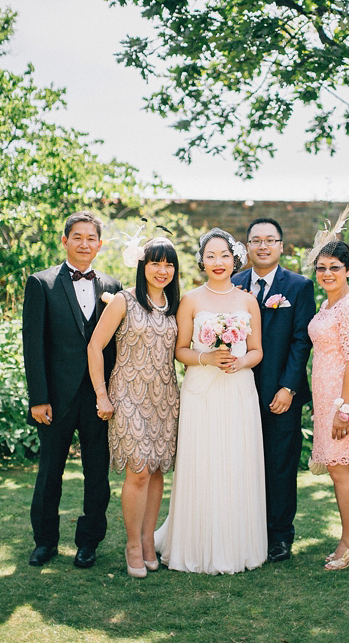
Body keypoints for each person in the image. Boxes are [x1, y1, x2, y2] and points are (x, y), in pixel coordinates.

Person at [155, 228, 267, 574]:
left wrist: (239, 361)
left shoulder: (248, 301)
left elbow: (257, 351)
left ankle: (239, 546)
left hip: (238, 389)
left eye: (224, 255)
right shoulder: (190, 299)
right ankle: (195, 545)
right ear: (202, 262)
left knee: (236, 460)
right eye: (210, 256)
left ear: (235, 259)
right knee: (202, 461)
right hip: (201, 390)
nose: (218, 262)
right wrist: (207, 359)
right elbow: (180, 350)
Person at [22, 212, 122, 569]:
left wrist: (110, 392)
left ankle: (88, 543)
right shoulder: (41, 283)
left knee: (97, 474)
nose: (84, 243)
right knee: (50, 472)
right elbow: (32, 345)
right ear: (64, 241)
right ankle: (45, 542)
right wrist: (39, 398)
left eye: (91, 238)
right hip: (55, 398)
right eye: (76, 237)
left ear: (99, 244)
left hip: (98, 396)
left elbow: (116, 346)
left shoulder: (114, 285)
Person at [87, 237, 181, 578]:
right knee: (139, 469)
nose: (163, 270)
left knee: (156, 471)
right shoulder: (124, 300)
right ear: (143, 266)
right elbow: (95, 346)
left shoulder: (175, 306)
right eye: (156, 263)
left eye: (169, 264)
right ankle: (130, 544)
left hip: (165, 397)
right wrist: (102, 394)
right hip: (127, 395)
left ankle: (146, 540)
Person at [232, 217, 315, 563]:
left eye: (270, 240)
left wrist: (288, 388)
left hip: (281, 393)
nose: (262, 246)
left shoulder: (298, 286)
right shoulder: (233, 285)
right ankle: (244, 530)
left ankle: (279, 536)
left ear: (281, 246)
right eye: (256, 240)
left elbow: (301, 342)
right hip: (237, 392)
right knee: (240, 463)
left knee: (280, 466)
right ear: (247, 246)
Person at [305, 236, 349, 571]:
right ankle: (348, 538)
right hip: (327, 395)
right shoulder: (328, 304)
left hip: (345, 397)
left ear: (348, 270)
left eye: (335, 267)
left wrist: (343, 410)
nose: (327, 273)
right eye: (322, 268)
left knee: (342, 470)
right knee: (337, 470)